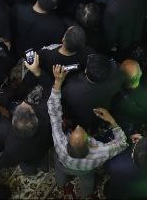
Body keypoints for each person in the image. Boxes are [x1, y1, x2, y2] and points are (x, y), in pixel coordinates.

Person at [48, 64, 127, 196]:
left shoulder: (59, 141)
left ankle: (60, 183)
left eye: (74, 131)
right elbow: (122, 143)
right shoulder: (100, 151)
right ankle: (86, 193)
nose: (78, 126)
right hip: (86, 169)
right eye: (82, 131)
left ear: (68, 141)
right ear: (89, 143)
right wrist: (111, 121)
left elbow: (53, 111)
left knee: (60, 171)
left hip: (64, 165)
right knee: (88, 179)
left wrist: (58, 82)